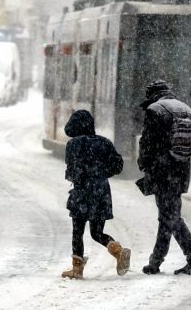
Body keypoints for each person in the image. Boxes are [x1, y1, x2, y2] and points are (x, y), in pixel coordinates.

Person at [137, 79, 191, 275]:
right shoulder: (185, 108)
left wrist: (144, 165)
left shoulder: (155, 110)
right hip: (181, 170)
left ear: (152, 94)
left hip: (162, 171)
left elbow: (148, 143)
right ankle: (156, 262)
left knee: (170, 217)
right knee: (168, 216)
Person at [61, 110, 131, 279]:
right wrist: (101, 174)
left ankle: (77, 269)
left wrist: (80, 176)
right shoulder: (105, 142)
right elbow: (118, 166)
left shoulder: (73, 144)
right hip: (101, 191)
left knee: (78, 231)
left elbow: (71, 171)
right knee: (97, 232)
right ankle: (118, 251)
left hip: (82, 192)